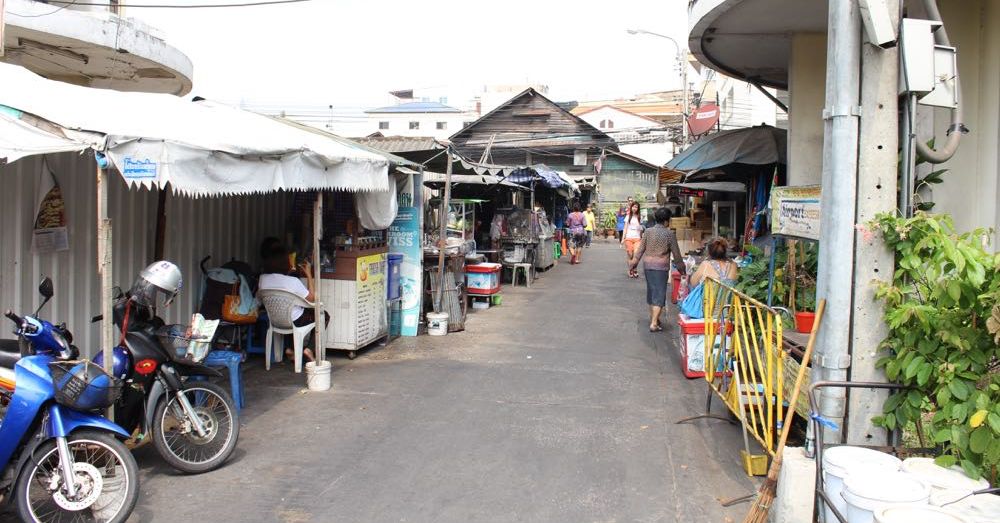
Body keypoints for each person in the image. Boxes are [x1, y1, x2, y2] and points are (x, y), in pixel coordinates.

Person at [258, 247, 328, 363]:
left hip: (275, 320)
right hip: (295, 320)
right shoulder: (293, 282)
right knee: (323, 315)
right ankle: (309, 349)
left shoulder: (263, 279)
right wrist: (309, 274)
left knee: (293, 312)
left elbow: (259, 295)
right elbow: (312, 298)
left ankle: (291, 349)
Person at [629, 207, 686, 332]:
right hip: (661, 268)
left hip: (648, 266)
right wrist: (683, 270)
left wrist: (634, 263)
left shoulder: (648, 232)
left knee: (652, 292)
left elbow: (640, 250)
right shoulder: (669, 234)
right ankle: (654, 323)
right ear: (667, 221)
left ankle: (655, 319)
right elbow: (677, 255)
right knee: (659, 295)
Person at [621, 201, 644, 277]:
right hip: (629, 238)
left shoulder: (640, 217)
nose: (635, 208)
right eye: (634, 207)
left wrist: (641, 237)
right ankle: (630, 269)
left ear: (638, 208)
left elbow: (641, 228)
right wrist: (623, 238)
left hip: (637, 238)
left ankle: (635, 269)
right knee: (630, 254)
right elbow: (625, 228)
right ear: (631, 207)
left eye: (636, 207)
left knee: (636, 254)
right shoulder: (628, 216)